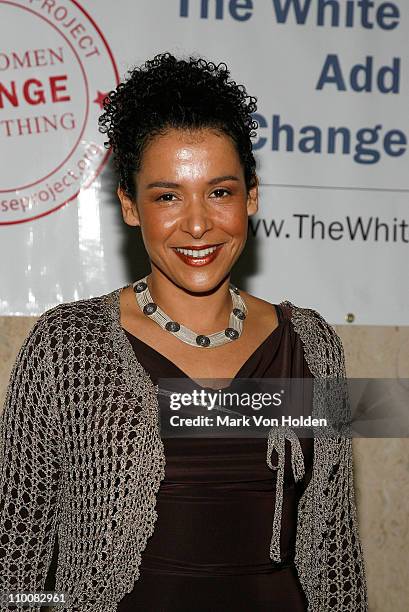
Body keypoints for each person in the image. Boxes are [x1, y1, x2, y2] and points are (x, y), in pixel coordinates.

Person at [0, 53, 368, 612]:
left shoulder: (313, 346)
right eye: (167, 195)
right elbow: (17, 559)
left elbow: (333, 549)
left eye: (219, 192)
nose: (197, 224)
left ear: (252, 196)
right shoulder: (66, 350)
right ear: (129, 205)